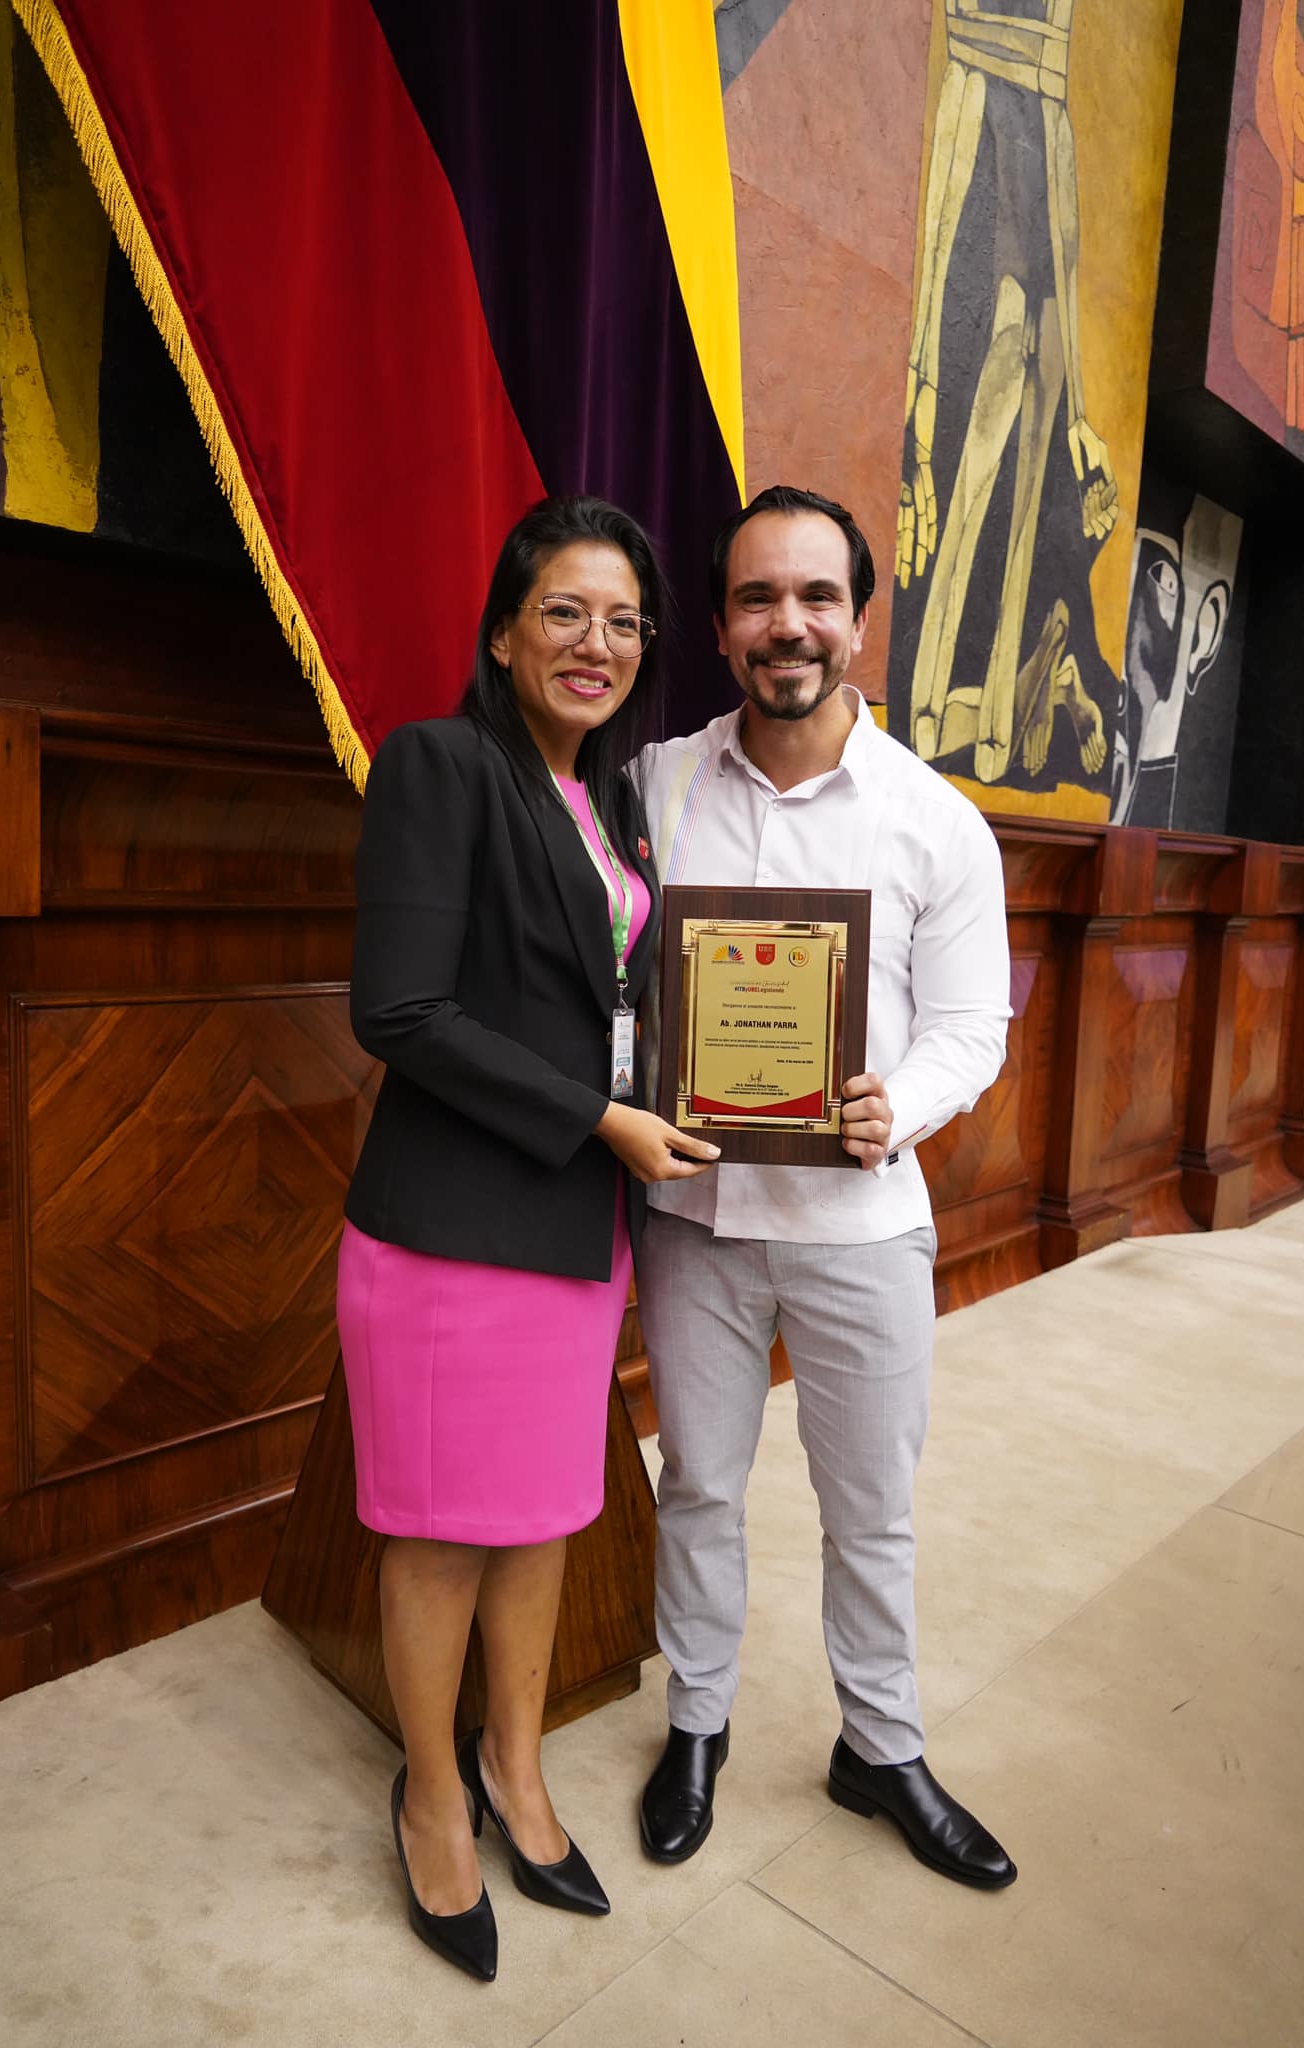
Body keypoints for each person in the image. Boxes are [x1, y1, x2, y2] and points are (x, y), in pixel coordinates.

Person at [339, 495, 720, 1981]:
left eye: (624, 620)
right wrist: (604, 1121)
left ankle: (514, 1767)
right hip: (452, 1241)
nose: (596, 642)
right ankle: (433, 1797)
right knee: (442, 1535)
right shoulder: (440, 765)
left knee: (545, 1517)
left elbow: (614, 1005)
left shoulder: (611, 800)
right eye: (564, 611)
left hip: (575, 1230)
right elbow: (401, 1013)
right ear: (502, 632)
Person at [632, 484, 1017, 1888]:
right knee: (701, 1491)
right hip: (694, 1223)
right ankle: (696, 1724)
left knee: (871, 1506)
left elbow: (972, 1027)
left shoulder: (934, 822)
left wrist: (890, 1106)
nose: (783, 624)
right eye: (753, 598)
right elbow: (604, 970)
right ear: (721, 625)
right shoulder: (656, 784)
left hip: (861, 1225)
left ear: (857, 618)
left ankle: (882, 1745)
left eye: (812, 596)